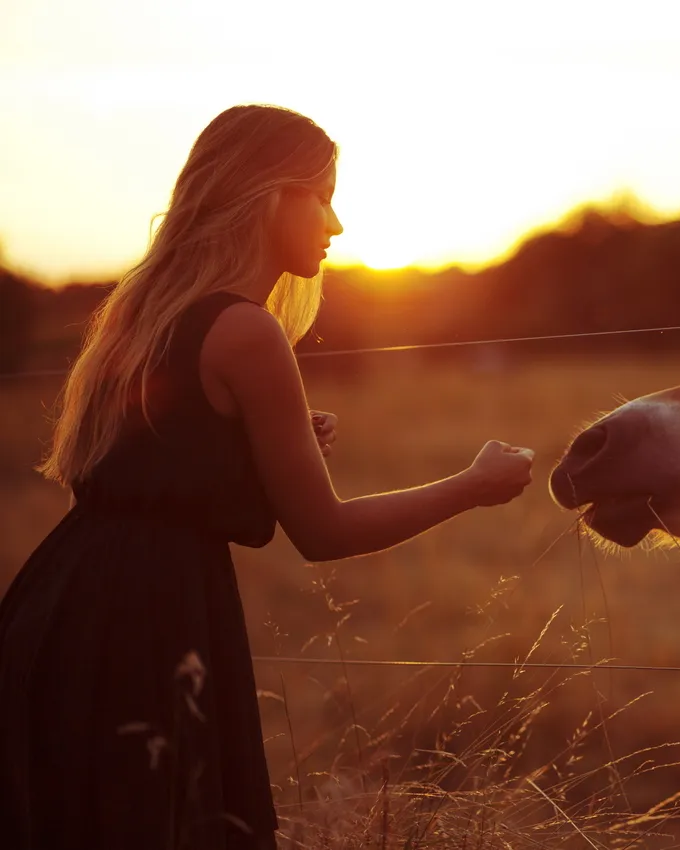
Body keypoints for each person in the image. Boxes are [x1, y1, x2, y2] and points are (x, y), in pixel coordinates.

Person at [0, 104, 535, 849]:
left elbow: (148, 466)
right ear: (269, 194)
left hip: (61, 605)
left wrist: (248, 451)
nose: (336, 224)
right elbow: (324, 532)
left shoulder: (147, 311)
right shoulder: (246, 331)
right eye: (322, 196)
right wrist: (472, 485)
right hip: (150, 622)